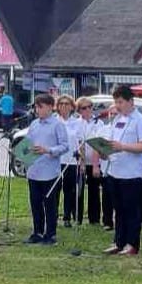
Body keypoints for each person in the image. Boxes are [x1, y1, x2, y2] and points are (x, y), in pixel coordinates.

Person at [105, 85, 142, 256]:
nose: (118, 106)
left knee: (131, 210)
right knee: (118, 209)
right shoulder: (117, 119)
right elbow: (111, 142)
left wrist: (123, 146)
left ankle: (132, 243)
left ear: (131, 101)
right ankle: (119, 241)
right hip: (115, 169)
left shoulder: (141, 121)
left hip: (132, 173)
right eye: (116, 102)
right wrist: (104, 150)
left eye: (121, 102)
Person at [22, 93, 69, 245]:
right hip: (34, 171)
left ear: (50, 107)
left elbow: (65, 146)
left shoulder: (57, 124)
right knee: (35, 203)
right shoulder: (34, 124)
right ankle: (37, 232)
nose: (38, 110)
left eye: (40, 107)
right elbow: (28, 143)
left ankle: (51, 234)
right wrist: (23, 152)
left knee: (50, 204)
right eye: (36, 107)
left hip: (49, 172)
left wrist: (48, 150)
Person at [56, 95, 84, 227]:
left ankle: (67, 217)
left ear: (72, 107)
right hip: (56, 160)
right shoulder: (54, 121)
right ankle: (53, 215)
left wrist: (82, 161)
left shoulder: (77, 122)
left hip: (71, 161)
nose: (63, 106)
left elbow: (81, 143)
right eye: (61, 104)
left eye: (66, 104)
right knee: (55, 189)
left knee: (69, 191)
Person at [77, 97, 103, 225]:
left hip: (95, 161)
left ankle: (94, 218)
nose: (87, 110)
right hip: (80, 161)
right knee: (79, 190)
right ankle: (78, 217)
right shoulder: (77, 123)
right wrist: (81, 162)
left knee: (94, 189)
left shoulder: (99, 123)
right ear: (79, 110)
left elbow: (98, 142)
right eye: (84, 108)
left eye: (89, 107)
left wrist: (95, 165)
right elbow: (79, 143)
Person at [97, 105, 118, 231]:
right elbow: (98, 147)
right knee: (106, 195)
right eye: (111, 113)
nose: (113, 116)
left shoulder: (123, 128)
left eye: (116, 114)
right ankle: (107, 221)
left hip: (120, 166)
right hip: (106, 165)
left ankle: (120, 221)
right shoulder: (103, 129)